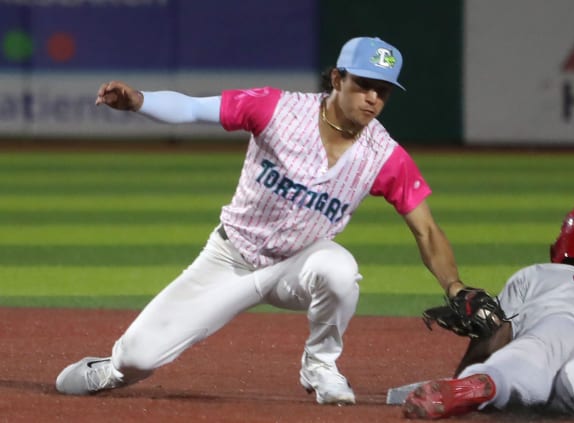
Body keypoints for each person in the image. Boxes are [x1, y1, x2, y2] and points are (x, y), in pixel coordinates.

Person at [55, 36, 476, 405]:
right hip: (229, 259)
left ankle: (321, 366)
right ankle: (112, 368)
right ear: (336, 79)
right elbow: (194, 109)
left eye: (383, 91)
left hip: (298, 266)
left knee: (340, 270)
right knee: (138, 358)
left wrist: (455, 287)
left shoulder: (385, 155)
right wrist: (140, 102)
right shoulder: (276, 109)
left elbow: (426, 229)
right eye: (363, 84)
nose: (372, 98)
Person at [403, 203, 574, 419]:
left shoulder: (537, 274)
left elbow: (495, 330)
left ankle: (479, 384)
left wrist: (464, 372)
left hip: (546, 332)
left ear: (564, 242)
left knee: (511, 370)